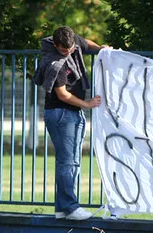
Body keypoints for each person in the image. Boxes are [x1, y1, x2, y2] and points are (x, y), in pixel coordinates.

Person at [33, 26, 103, 220]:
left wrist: (101, 49)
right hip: (61, 113)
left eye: (71, 48)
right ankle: (70, 208)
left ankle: (62, 209)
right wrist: (87, 104)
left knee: (71, 162)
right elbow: (62, 95)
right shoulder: (55, 62)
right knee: (67, 162)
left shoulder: (73, 42)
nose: (69, 52)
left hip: (71, 114)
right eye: (64, 50)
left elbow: (86, 43)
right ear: (55, 45)